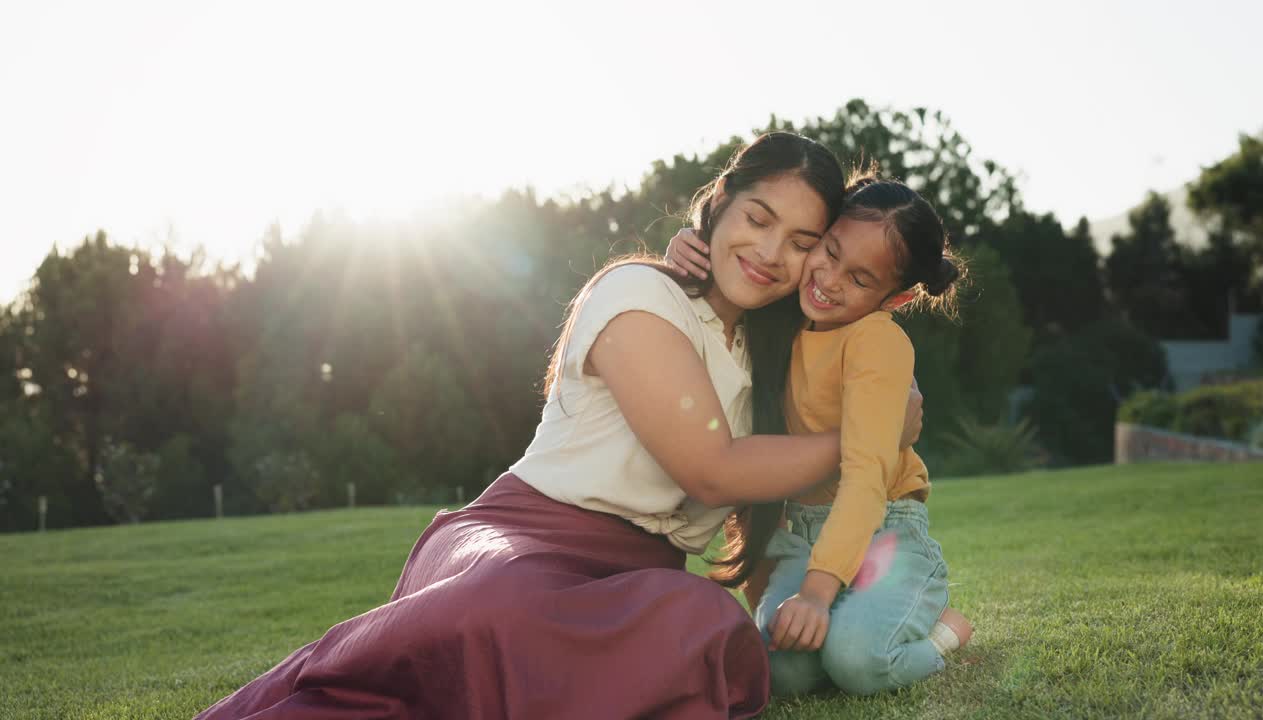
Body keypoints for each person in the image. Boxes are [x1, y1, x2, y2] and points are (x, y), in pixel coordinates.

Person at [196, 132, 924, 720]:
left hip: (637, 584)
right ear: (721, 206)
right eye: (758, 220)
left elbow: (861, 363)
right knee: (505, 610)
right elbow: (713, 470)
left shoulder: (777, 353)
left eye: (802, 242)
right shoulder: (639, 293)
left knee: (703, 620)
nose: (771, 253)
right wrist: (870, 436)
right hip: (521, 541)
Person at [665, 177, 973, 697]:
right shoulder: (787, 314)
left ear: (893, 297)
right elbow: (740, 272)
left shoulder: (877, 341)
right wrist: (688, 246)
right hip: (802, 537)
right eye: (828, 253)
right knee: (782, 673)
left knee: (857, 663)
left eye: (858, 278)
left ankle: (944, 633)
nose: (828, 280)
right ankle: (848, 623)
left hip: (884, 533)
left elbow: (865, 477)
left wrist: (814, 593)